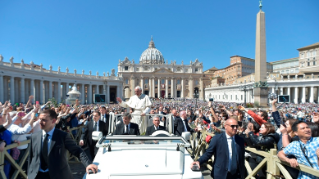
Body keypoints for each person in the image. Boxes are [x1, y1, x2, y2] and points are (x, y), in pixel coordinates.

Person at [27, 109, 98, 179]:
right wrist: (29, 174)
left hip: (57, 175)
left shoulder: (62, 136)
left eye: (44, 120)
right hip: (37, 175)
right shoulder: (34, 136)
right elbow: (31, 157)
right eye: (40, 119)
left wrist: (88, 164)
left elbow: (77, 151)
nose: (40, 122)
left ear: (53, 121)